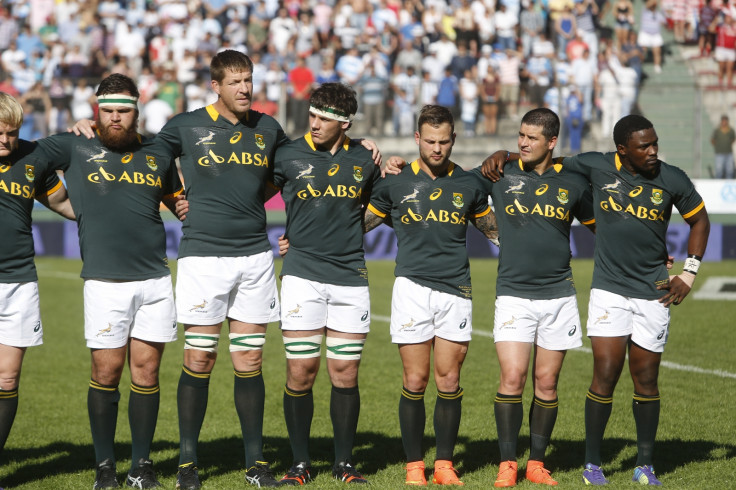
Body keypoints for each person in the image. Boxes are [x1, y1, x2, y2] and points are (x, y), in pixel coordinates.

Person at [481, 114, 711, 486]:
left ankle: (645, 465)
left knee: (646, 379)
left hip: (654, 291)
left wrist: (688, 272)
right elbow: (541, 157)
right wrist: (504, 152)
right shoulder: (592, 164)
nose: (653, 151)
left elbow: (699, 221)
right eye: (644, 146)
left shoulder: (673, 178)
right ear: (622, 150)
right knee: (603, 372)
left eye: (655, 143)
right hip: (606, 289)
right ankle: (591, 463)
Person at [37, 73, 183, 489]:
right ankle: (105, 467)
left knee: (147, 372)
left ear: (137, 111)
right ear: (95, 111)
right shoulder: (72, 144)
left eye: (123, 111)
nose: (115, 118)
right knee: (106, 371)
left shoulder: (157, 150)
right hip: (104, 282)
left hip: (155, 279)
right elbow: (22, 158)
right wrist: (65, 204)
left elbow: (178, 200)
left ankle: (141, 466)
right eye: (108, 111)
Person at [364, 105, 499, 486]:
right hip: (410, 289)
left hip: (456, 290)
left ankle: (443, 464)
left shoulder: (470, 184)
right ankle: (413, 466)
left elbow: (496, 234)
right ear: (417, 139)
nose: (437, 149)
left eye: (444, 142)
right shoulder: (395, 182)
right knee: (415, 378)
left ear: (453, 139)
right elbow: (357, 225)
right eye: (430, 141)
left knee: (449, 379)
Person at [472, 108, 594, 487]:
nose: (522, 142)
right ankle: (508, 462)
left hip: (559, 295)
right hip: (513, 294)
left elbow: (602, 228)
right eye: (520, 135)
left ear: (551, 142)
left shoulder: (573, 183)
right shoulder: (499, 173)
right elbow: (457, 193)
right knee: (512, 376)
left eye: (531, 138)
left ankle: (536, 463)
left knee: (547, 383)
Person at [272, 83, 380, 486]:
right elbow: (252, 197)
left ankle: (344, 464)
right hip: (301, 274)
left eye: (323, 119)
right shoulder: (285, 154)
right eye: (311, 115)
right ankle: (299, 464)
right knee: (301, 370)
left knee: (345, 372)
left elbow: (379, 206)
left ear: (345, 124)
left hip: (350, 278)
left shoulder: (366, 159)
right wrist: (281, 237)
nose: (313, 124)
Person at [0, 92, 74, 485]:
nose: (5, 141)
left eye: (11, 133)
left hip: (17, 281)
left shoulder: (33, 157)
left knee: (7, 379)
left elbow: (65, 204)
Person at [711, 114, 735, 179]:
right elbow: (713, 139)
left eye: (725, 121)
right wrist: (718, 146)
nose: (724, 122)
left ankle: (729, 183)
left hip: (728, 153)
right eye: (723, 121)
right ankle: (718, 183)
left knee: (729, 170)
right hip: (719, 153)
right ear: (721, 121)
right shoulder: (717, 130)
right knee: (719, 170)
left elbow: (733, 139)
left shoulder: (731, 130)